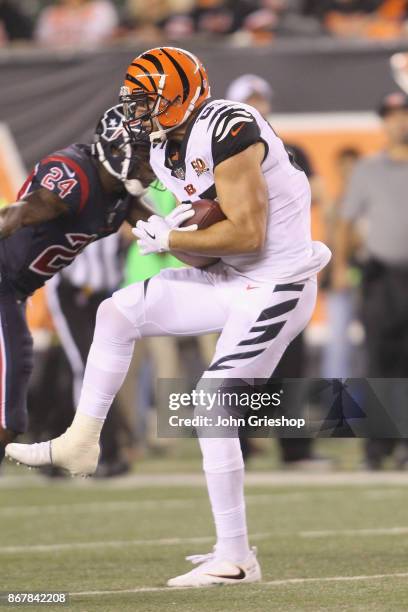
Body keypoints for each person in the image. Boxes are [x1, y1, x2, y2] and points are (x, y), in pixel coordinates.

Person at [7, 47, 331, 586]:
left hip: (278, 281)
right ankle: (80, 441)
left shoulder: (229, 125)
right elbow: (206, 251)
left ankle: (235, 558)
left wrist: (171, 235)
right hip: (228, 278)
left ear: (181, 95)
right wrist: (175, 241)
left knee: (211, 399)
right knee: (118, 312)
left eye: (146, 100)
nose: (137, 112)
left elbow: (249, 233)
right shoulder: (162, 151)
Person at [0, 103, 191, 464]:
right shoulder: (74, 174)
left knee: (13, 410)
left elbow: (173, 239)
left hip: (17, 293)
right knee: (8, 417)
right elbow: (20, 212)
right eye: (142, 154)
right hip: (4, 285)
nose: (149, 164)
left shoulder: (120, 197)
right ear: (115, 148)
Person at [333, 91, 408, 469]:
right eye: (391, 116)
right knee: (379, 361)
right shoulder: (367, 169)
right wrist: (341, 268)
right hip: (381, 276)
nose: (399, 122)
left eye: (404, 114)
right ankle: (377, 448)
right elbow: (346, 221)